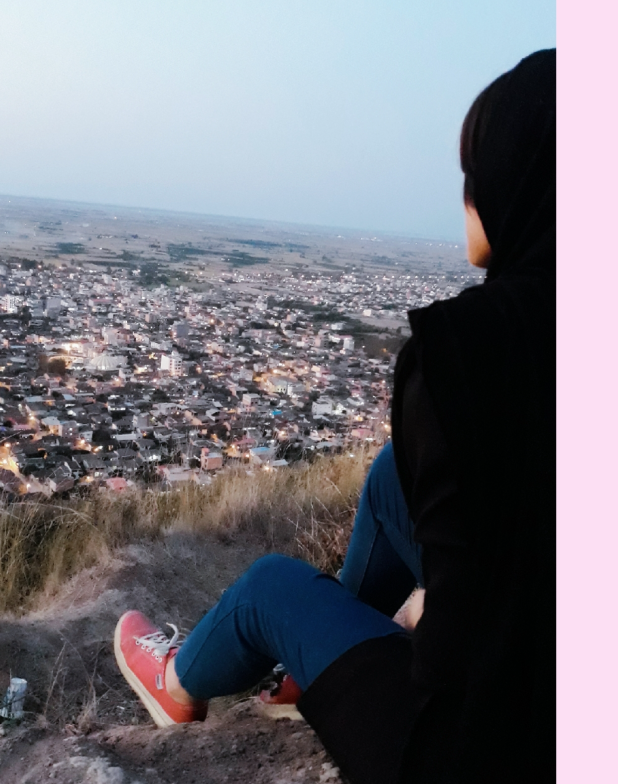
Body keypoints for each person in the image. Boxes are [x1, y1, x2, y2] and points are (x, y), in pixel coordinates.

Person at [114, 48, 555, 784]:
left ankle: (179, 683)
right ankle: (317, 659)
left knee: (269, 587)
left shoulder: (470, 348)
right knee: (390, 478)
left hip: (478, 743)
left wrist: (428, 614)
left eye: (476, 169)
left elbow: (464, 646)